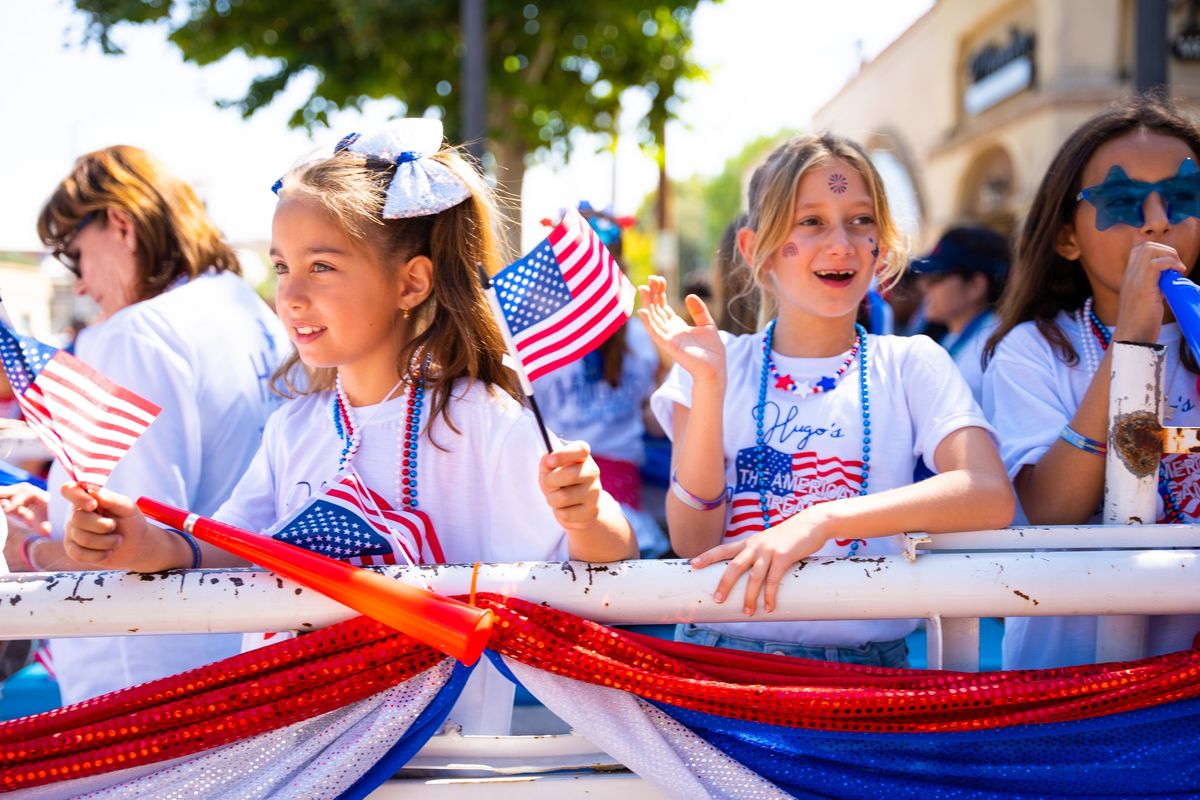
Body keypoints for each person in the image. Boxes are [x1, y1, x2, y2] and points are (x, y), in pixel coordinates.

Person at [60, 120, 636, 733]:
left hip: (442, 759)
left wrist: (587, 514)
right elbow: (229, 545)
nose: (291, 295)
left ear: (411, 282)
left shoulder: (486, 421)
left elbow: (605, 566)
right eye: (282, 267)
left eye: (323, 267)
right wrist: (147, 544)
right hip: (297, 747)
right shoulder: (292, 428)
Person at [640, 133, 1013, 666]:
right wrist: (708, 387)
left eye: (860, 220)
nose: (841, 243)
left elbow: (988, 494)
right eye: (811, 221)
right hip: (724, 668)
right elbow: (693, 541)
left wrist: (823, 520)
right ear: (756, 250)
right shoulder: (717, 365)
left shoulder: (911, 363)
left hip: (869, 675)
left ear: (880, 245)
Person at [1, 145, 286, 705]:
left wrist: (26, 549)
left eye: (73, 255)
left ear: (120, 225)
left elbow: (131, 550)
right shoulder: (250, 313)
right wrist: (57, 518)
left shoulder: (137, 333)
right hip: (244, 653)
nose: (79, 283)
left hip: (146, 685)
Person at [982, 94, 1200, 669]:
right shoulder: (1032, 351)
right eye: (1123, 201)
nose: (1158, 219)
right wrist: (1132, 341)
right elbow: (1052, 507)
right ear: (1066, 239)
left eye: (1183, 197)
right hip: (1071, 680)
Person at [534, 206, 667, 557]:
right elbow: (652, 416)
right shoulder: (643, 339)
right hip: (569, 500)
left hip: (588, 504)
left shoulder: (542, 345)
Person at [911, 225, 1011, 403]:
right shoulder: (955, 337)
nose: (924, 286)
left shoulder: (999, 349)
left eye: (936, 278)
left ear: (976, 285)